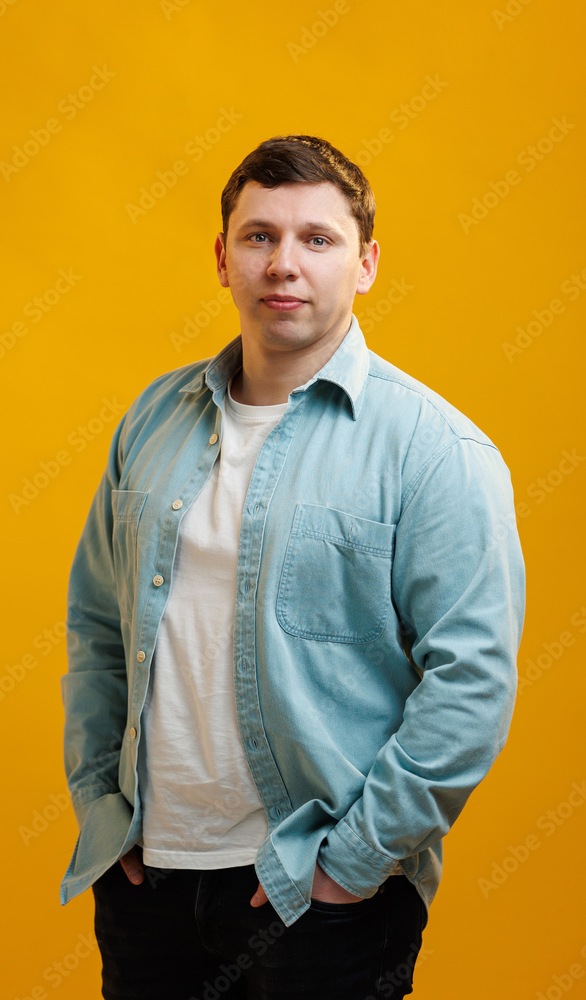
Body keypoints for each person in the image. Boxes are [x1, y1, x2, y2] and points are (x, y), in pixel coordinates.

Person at [60, 134, 526, 1000]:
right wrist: (99, 805)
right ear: (222, 258)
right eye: (259, 236)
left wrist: (352, 862)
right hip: (148, 877)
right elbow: (95, 625)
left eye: (317, 238)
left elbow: (472, 681)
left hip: (320, 892)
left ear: (365, 264)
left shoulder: (434, 449)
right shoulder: (152, 420)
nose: (283, 263)